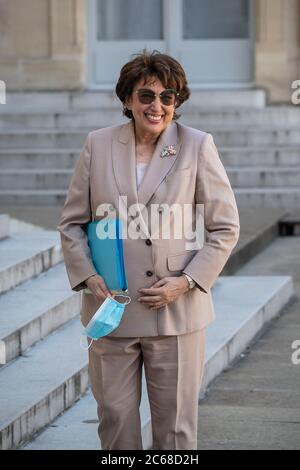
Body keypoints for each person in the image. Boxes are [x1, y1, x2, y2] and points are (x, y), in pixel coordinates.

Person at [57, 50, 240, 450]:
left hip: (174, 312)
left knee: (174, 430)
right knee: (116, 423)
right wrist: (88, 276)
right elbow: (72, 222)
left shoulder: (197, 146)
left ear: (176, 102)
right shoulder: (97, 144)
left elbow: (225, 227)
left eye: (167, 97)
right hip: (111, 312)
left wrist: (187, 281)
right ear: (127, 100)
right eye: (146, 96)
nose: (156, 106)